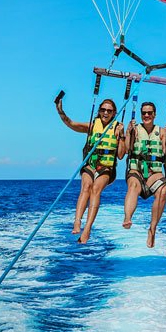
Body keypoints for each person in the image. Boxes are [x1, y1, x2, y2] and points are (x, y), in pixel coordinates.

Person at [56, 95, 124, 244]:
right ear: (99, 111)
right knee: (86, 186)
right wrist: (60, 111)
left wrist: (122, 136)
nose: (106, 113)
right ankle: (77, 221)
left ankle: (87, 228)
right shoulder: (93, 126)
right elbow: (71, 124)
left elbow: (120, 155)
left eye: (109, 111)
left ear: (114, 113)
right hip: (90, 164)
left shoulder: (117, 129)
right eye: (103, 110)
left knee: (95, 189)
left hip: (107, 167)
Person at [122, 102, 166, 247]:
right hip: (136, 170)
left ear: (154, 114)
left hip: (154, 172)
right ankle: (127, 217)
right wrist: (128, 132)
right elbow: (127, 149)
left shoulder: (162, 132)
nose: (146, 115)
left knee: (163, 191)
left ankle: (152, 228)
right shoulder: (135, 129)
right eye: (144, 113)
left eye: (149, 113)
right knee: (133, 186)